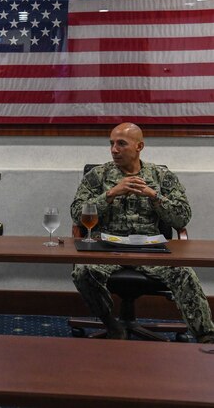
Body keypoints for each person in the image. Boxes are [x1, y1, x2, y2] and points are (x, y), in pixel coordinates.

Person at [71, 123, 214, 342]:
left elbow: (182, 217)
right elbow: (77, 215)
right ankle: (112, 325)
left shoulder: (161, 176)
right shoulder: (97, 176)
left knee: (185, 273)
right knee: (83, 271)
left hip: (150, 249)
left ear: (139, 146)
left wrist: (154, 196)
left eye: (121, 144)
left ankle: (207, 337)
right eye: (111, 144)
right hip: (107, 249)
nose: (114, 150)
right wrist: (110, 194)